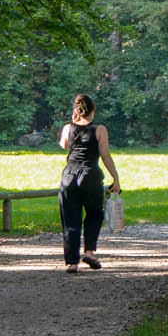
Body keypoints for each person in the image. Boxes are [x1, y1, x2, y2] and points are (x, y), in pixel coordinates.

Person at [56, 93, 122, 272]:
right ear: (93, 110)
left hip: (69, 176)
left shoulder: (67, 128)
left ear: (77, 110)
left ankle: (71, 262)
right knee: (94, 214)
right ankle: (90, 252)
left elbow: (64, 145)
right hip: (90, 175)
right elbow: (105, 155)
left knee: (70, 218)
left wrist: (73, 121)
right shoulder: (100, 129)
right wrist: (115, 177)